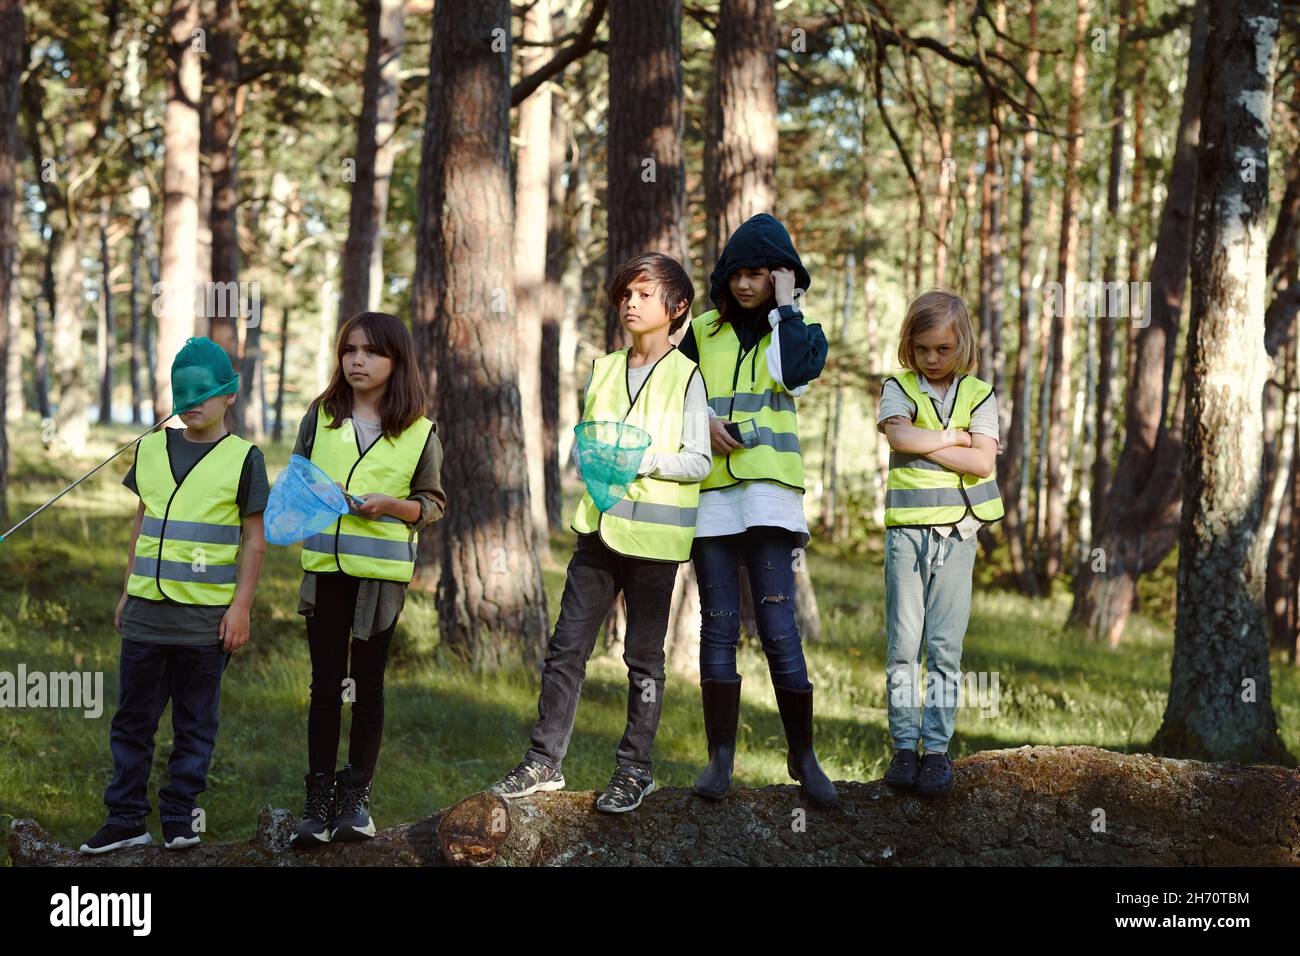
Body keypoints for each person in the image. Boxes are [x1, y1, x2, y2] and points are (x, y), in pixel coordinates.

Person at [489, 252, 710, 813]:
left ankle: (635, 770)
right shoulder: (604, 368)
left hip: (655, 543)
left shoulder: (687, 376)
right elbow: (588, 443)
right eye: (625, 295)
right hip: (598, 533)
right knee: (566, 650)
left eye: (643, 295)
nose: (630, 304)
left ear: (677, 307)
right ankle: (543, 763)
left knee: (643, 660)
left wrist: (642, 461)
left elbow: (699, 461)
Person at [81, 337, 268, 854]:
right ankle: (125, 820)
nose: (192, 402)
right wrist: (126, 593)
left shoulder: (244, 459)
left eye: (204, 393)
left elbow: (255, 537)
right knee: (133, 721)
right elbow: (143, 522)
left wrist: (241, 606)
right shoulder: (149, 449)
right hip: (144, 613)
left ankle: (182, 819)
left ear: (229, 395)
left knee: (194, 724)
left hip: (204, 621)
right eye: (182, 392)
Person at [677, 213, 836, 807]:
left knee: (777, 626)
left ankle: (804, 756)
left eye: (761, 273)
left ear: (782, 277)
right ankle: (720, 760)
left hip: (770, 497)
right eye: (737, 273)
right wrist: (702, 422)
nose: (746, 284)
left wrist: (787, 305)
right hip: (712, 498)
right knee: (716, 625)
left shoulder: (798, 331)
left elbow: (794, 373)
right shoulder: (700, 332)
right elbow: (671, 394)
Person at [288, 311, 446, 847]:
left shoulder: (420, 432)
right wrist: (317, 494)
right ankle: (316, 802)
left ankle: (355, 802)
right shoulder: (320, 416)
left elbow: (431, 504)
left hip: (381, 579)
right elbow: (296, 480)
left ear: (396, 362)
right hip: (326, 574)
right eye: (350, 350)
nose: (357, 360)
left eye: (371, 352)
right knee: (325, 687)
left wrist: (391, 506)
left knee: (368, 687)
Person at [876, 287, 1003, 797]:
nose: (932, 359)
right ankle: (904, 746)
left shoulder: (979, 394)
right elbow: (900, 439)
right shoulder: (897, 386)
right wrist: (954, 436)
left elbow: (983, 462)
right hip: (906, 537)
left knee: (944, 647)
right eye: (923, 348)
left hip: (959, 536)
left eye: (943, 350)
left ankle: (935, 750)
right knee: (904, 645)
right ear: (910, 345)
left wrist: (937, 441)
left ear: (962, 344)